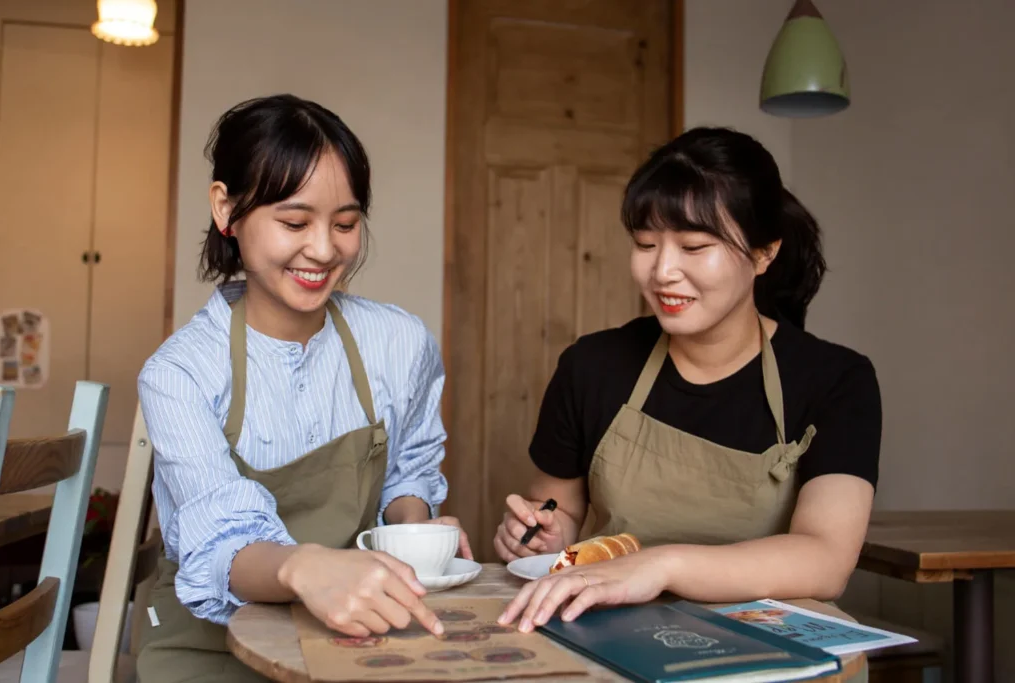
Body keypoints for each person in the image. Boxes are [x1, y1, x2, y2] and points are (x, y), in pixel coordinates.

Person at [136, 94, 469, 683]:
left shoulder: (398, 342)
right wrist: (306, 568)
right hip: (210, 648)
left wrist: (412, 532)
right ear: (227, 209)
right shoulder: (180, 374)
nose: (324, 249)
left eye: (345, 223)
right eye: (294, 222)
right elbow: (222, 545)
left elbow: (407, 473)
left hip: (354, 636)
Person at [494, 127, 881, 633]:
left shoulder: (835, 380)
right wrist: (541, 535)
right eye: (646, 244)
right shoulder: (592, 366)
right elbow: (559, 510)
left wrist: (660, 566)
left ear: (764, 253)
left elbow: (826, 560)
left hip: (772, 647)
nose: (663, 271)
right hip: (615, 631)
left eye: (694, 247)